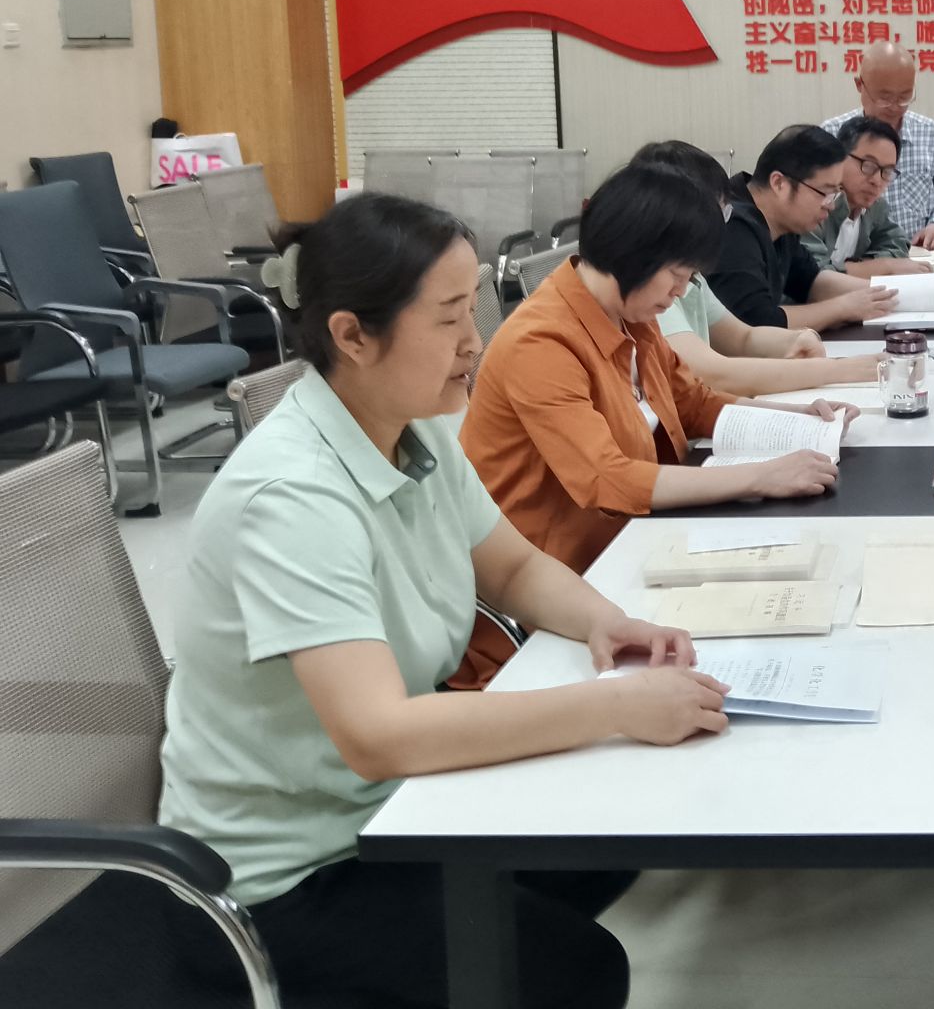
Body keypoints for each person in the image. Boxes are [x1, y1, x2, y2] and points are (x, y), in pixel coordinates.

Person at [157, 193, 729, 1009]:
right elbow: (378, 736)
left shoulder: (413, 424)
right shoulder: (290, 498)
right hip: (283, 878)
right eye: (450, 318)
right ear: (353, 336)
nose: (475, 342)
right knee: (574, 971)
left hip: (392, 810)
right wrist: (615, 707)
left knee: (608, 840)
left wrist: (611, 623)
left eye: (474, 311)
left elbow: (512, 571)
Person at [458, 160, 853, 688]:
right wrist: (761, 475)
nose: (682, 292)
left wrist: (795, 418)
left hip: (632, 551)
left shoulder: (629, 314)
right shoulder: (541, 341)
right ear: (634, 254)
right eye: (678, 275)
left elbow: (693, 403)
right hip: (560, 597)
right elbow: (607, 478)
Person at [630, 140, 884, 397]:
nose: (721, 228)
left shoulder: (690, 273)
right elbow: (710, 373)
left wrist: (794, 340)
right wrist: (839, 370)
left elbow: (742, 337)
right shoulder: (649, 282)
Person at [708, 124, 900, 331]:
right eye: (825, 193)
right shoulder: (732, 225)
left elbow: (812, 281)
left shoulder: (781, 223)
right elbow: (757, 321)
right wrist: (844, 308)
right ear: (779, 183)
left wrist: (893, 294)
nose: (831, 205)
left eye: (835, 193)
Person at [823, 41, 934, 250]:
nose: (894, 107)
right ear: (860, 85)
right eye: (885, 97)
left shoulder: (933, 136)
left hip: (918, 254)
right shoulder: (831, 136)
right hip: (846, 259)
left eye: (904, 97)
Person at [803, 117, 933, 277]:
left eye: (887, 172)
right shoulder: (814, 206)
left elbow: (897, 244)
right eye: (868, 166)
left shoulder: (875, 207)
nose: (877, 181)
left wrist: (861, 265)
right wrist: (882, 267)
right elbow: (809, 276)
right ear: (839, 158)